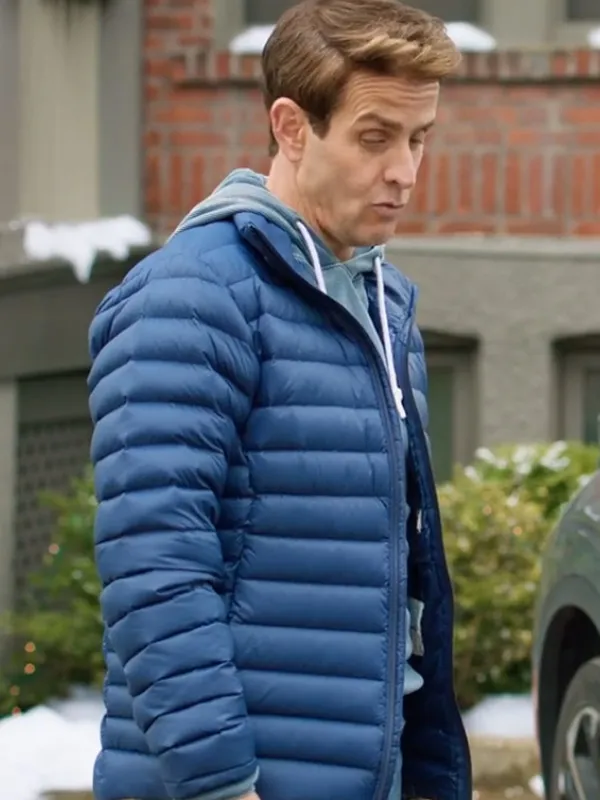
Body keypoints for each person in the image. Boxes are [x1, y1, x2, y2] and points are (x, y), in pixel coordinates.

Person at [87, 1, 471, 799]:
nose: (404, 171)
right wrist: (222, 782)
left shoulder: (381, 305)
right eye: (375, 138)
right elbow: (154, 566)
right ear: (292, 128)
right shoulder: (192, 299)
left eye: (418, 139)